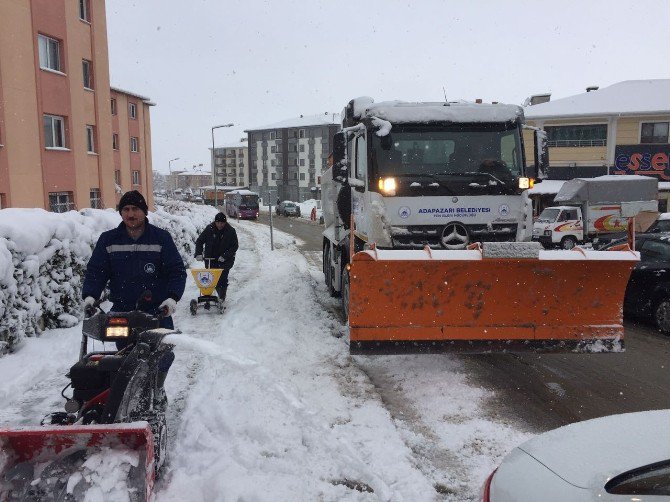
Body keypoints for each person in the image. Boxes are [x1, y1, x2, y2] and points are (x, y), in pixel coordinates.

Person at [82, 190, 186, 400]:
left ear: (144, 212)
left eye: (135, 209)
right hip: (122, 312)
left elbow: (176, 270)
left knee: (163, 355)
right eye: (126, 209)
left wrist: (172, 299)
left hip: (156, 313)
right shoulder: (109, 240)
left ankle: (156, 388)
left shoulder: (161, 238)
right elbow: (96, 271)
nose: (131, 214)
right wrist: (91, 296)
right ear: (121, 213)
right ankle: (128, 395)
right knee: (125, 357)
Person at [194, 212, 238, 301]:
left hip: (225, 261)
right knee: (211, 279)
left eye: (222, 223)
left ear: (225, 223)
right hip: (211, 259)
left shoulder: (230, 231)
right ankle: (208, 297)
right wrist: (198, 253)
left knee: (222, 279)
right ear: (215, 222)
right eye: (218, 222)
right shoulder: (209, 229)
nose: (220, 225)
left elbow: (235, 246)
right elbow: (199, 241)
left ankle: (221, 297)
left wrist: (225, 256)